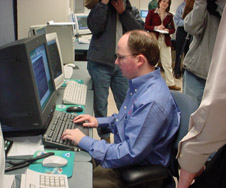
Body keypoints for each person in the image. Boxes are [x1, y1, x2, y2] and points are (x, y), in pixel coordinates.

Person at [62, 30, 180, 188]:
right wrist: (99, 121)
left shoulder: (151, 101)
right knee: (79, 159)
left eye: (120, 57)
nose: (116, 62)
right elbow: (125, 120)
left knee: (77, 181)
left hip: (137, 171)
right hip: (127, 161)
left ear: (139, 60)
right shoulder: (140, 84)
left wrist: (84, 140)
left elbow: (129, 152)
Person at [177, 5, 226, 188]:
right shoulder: (199, 4)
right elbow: (190, 26)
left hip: (217, 78)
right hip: (196, 71)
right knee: (194, 123)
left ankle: (205, 166)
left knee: (212, 128)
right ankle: (196, 166)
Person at [86, 0, 144, 142]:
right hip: (100, 63)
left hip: (123, 65)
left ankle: (127, 138)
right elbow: (95, 27)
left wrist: (123, 13)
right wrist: (103, 4)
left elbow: (138, 33)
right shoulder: (99, 6)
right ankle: (105, 139)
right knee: (101, 105)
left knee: (126, 103)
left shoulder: (129, 9)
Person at [182, 0, 224, 106]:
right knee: (190, 113)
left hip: (220, 79)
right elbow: (191, 28)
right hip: (196, 73)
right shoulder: (204, 5)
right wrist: (201, 3)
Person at [145, 0, 181, 91]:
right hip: (154, 39)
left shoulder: (169, 16)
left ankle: (171, 83)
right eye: (163, 1)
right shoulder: (152, 13)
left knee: (167, 63)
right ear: (159, 2)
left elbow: (173, 29)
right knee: (153, 62)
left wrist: (168, 30)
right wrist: (156, 27)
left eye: (167, 3)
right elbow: (146, 26)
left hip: (165, 40)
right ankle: (149, 82)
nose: (165, 4)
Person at [173, 0, 191, 79]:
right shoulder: (181, 7)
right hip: (181, 31)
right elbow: (177, 21)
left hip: (191, 32)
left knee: (188, 53)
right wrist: (187, 23)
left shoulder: (194, 7)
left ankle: (185, 72)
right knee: (179, 52)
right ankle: (177, 71)